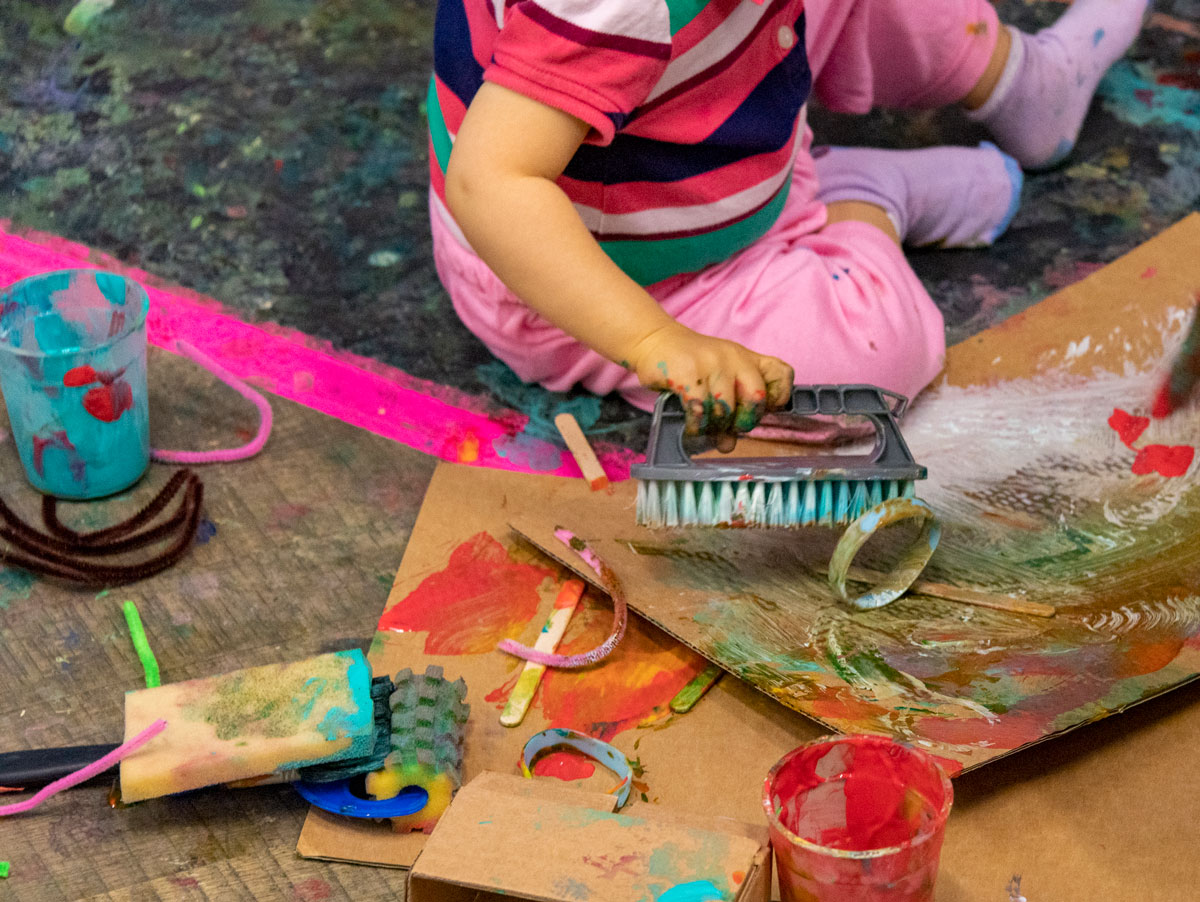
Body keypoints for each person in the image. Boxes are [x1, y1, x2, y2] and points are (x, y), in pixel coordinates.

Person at [428, 0, 1149, 447]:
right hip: (603, 276)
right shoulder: (606, 7)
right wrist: (653, 338)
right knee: (861, 368)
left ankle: (1023, 83)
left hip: (709, 130)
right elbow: (493, 183)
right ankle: (864, 194)